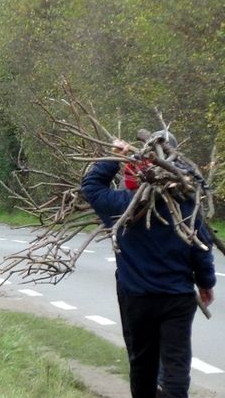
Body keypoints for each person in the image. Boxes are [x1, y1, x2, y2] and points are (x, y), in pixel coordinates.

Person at [81, 136, 216, 398]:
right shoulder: (186, 204)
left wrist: (112, 158)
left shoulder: (122, 207)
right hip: (177, 298)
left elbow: (91, 187)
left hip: (137, 298)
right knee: (176, 365)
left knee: (143, 362)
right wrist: (205, 282)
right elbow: (201, 246)